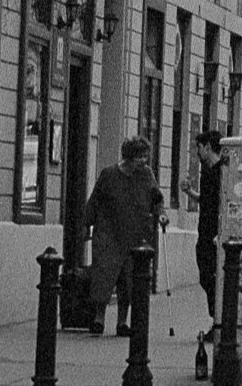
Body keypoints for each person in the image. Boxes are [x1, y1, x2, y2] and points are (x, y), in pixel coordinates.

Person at [86, 137, 165, 336]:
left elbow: (156, 197)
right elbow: (95, 201)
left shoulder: (146, 175)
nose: (144, 161)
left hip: (135, 235)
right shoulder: (109, 175)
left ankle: (122, 322)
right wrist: (86, 225)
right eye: (140, 157)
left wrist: (161, 213)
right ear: (129, 157)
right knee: (104, 276)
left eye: (146, 156)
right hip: (108, 233)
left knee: (129, 281)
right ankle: (99, 319)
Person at [189, 131, 227, 321]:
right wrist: (190, 192)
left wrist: (220, 231)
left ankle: (217, 318)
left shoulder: (222, 172)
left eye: (199, 147)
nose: (197, 151)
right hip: (204, 231)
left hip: (213, 233)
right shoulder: (207, 172)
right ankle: (216, 316)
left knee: (212, 277)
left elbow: (224, 203)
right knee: (206, 276)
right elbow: (206, 200)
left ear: (208, 147)